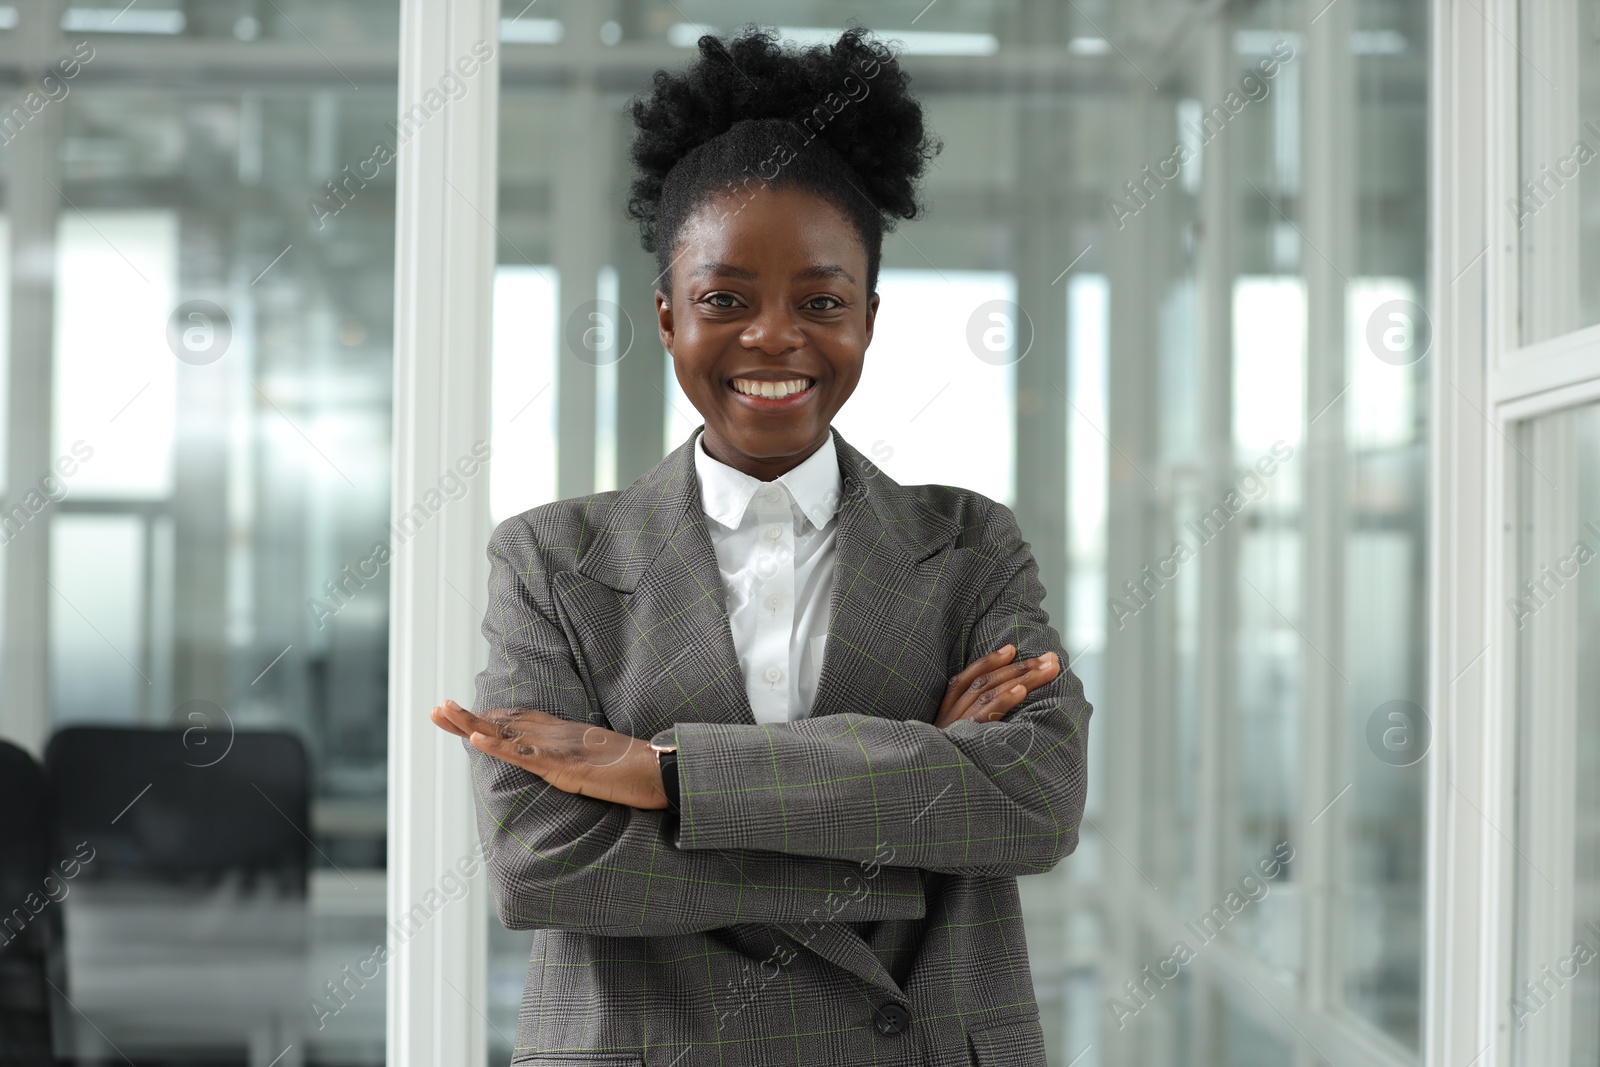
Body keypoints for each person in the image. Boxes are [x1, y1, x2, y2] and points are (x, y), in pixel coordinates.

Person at [430, 24, 1092, 1067]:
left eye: (820, 301)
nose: (774, 337)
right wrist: (908, 825)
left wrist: (661, 774)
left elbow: (1031, 803)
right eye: (723, 300)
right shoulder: (552, 560)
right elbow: (541, 862)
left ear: (869, 318)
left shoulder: (968, 543)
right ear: (665, 316)